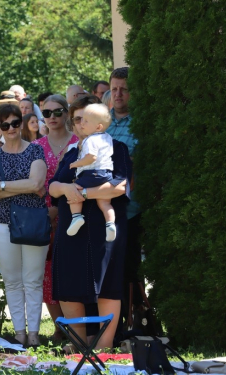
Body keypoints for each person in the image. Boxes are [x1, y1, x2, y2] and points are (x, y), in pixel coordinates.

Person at [48, 95, 131, 350]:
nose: (79, 123)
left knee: (107, 286)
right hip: (72, 230)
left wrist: (82, 193)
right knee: (70, 286)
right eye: (76, 119)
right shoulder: (73, 152)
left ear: (98, 122)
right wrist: (64, 187)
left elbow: (120, 187)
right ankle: (78, 345)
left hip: (104, 228)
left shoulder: (117, 149)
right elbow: (52, 188)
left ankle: (103, 349)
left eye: (83, 118)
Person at [0, 103, 48, 347]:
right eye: (4, 124)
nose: (10, 128)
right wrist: (21, 185)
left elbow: (37, 184)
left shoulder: (35, 151)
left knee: (33, 279)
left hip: (33, 222)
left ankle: (34, 334)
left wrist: (3, 186)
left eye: (14, 122)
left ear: (21, 124)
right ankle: (19, 334)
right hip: (2, 223)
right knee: (11, 280)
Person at [32, 94, 78, 341]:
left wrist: (60, 210)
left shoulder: (79, 142)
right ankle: (60, 328)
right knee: (46, 272)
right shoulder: (36, 146)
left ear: (67, 113)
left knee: (70, 270)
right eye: (46, 113)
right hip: (43, 216)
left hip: (75, 213)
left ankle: (76, 327)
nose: (51, 117)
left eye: (57, 112)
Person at [105, 67, 143, 335]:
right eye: (114, 88)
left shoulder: (141, 123)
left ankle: (136, 326)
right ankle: (109, 328)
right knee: (106, 273)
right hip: (100, 210)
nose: (118, 94)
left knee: (129, 271)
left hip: (130, 210)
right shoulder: (102, 122)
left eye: (124, 89)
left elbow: (142, 166)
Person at [67, 104, 116, 242]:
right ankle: (110, 224)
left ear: (98, 127)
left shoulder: (91, 139)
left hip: (92, 173)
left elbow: (91, 158)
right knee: (105, 202)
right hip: (106, 174)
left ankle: (76, 216)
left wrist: (76, 163)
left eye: (86, 121)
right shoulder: (107, 137)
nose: (81, 124)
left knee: (74, 190)